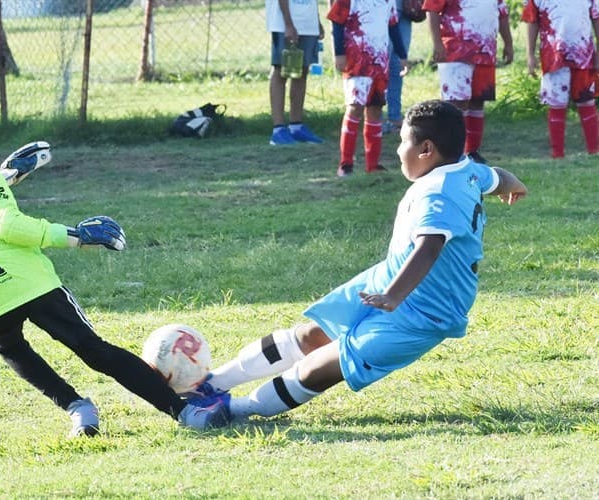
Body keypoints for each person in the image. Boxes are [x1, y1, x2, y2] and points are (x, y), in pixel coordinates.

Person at [0, 96, 228, 437]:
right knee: (94, 350)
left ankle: (78, 408)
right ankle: (184, 412)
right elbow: (7, 226)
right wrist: (75, 236)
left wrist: (4, 179)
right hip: (28, 284)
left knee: (14, 350)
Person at [190, 100, 528, 424]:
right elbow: (495, 176)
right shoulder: (466, 170)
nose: (397, 151)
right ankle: (212, 382)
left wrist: (393, 297)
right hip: (387, 280)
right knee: (311, 336)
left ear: (426, 149)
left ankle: (232, 410)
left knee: (319, 367)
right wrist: (513, 184)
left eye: (401, 142)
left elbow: (429, 247)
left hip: (424, 313)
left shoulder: (437, 192)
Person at [424, 0, 514, 163]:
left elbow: (502, 14)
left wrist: (508, 43)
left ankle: (472, 151)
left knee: (477, 101)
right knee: (456, 104)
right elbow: (432, 10)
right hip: (454, 51)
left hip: (485, 51)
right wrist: (437, 43)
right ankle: (452, 153)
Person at [329, 0, 410, 176]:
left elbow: (393, 26)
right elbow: (336, 22)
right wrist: (339, 53)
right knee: (355, 107)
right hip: (356, 60)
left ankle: (372, 165)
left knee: (375, 109)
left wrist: (402, 55)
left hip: (379, 62)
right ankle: (346, 164)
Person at [522, 0, 599, 158]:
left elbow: (596, 18)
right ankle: (557, 153)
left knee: (586, 100)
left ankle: (595, 149)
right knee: (557, 103)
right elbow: (532, 21)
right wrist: (530, 55)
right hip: (554, 55)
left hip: (583, 54)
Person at [266, 0, 325, 145]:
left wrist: (316, 20)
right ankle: (278, 129)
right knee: (281, 71)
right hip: (284, 24)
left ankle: (296, 126)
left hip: (307, 23)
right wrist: (288, 24)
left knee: (302, 71)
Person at [383, 0, 416, 135]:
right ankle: (376, 118)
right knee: (382, 64)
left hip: (405, 8)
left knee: (398, 66)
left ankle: (394, 117)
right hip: (383, 8)